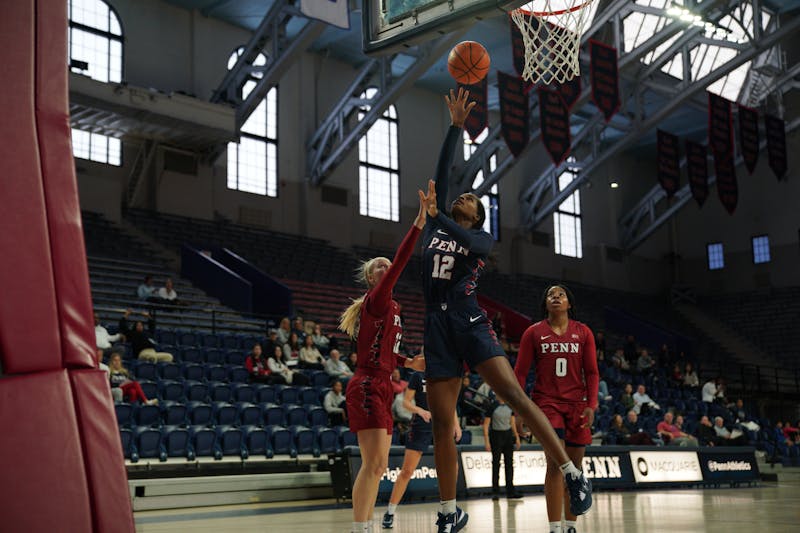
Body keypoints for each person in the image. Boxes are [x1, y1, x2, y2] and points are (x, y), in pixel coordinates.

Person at [421, 89, 592, 533]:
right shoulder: (435, 225)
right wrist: (455, 127)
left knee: (514, 395)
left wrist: (436, 214)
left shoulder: (479, 239)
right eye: (463, 196)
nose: (466, 197)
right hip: (435, 322)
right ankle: (447, 511)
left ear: (477, 217)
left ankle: (571, 474)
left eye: (473, 201)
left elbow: (450, 223)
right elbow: (440, 176)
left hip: (468, 319)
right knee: (443, 422)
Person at [337, 189, 427, 533]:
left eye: (385, 265)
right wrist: (418, 223)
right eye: (379, 266)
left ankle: (366, 524)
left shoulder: (392, 310)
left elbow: (387, 350)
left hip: (382, 384)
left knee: (378, 466)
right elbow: (402, 258)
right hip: (366, 384)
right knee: (372, 464)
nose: (385, 266)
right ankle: (361, 527)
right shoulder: (377, 299)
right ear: (372, 279)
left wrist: (408, 363)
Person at [514, 284, 598, 533]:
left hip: (577, 406)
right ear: (546, 303)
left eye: (561, 294)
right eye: (550, 294)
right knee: (554, 464)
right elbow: (519, 373)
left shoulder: (583, 332)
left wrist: (591, 404)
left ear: (569, 303)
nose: (556, 297)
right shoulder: (533, 332)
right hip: (546, 404)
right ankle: (554, 527)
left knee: (576, 467)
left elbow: (592, 372)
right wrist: (519, 410)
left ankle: (570, 526)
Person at [382, 370, 461, 529]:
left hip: (442, 424)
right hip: (421, 426)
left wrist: (456, 424)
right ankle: (390, 512)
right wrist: (420, 411)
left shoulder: (444, 373)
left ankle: (450, 510)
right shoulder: (417, 376)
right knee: (407, 471)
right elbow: (406, 402)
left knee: (453, 467)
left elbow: (450, 402)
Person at [483, 393, 523, 501]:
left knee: (509, 464)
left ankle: (511, 491)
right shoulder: (492, 406)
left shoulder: (510, 406)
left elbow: (512, 422)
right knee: (496, 464)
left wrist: (517, 437)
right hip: (496, 436)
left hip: (508, 436)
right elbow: (486, 425)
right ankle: (495, 492)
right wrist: (486, 441)